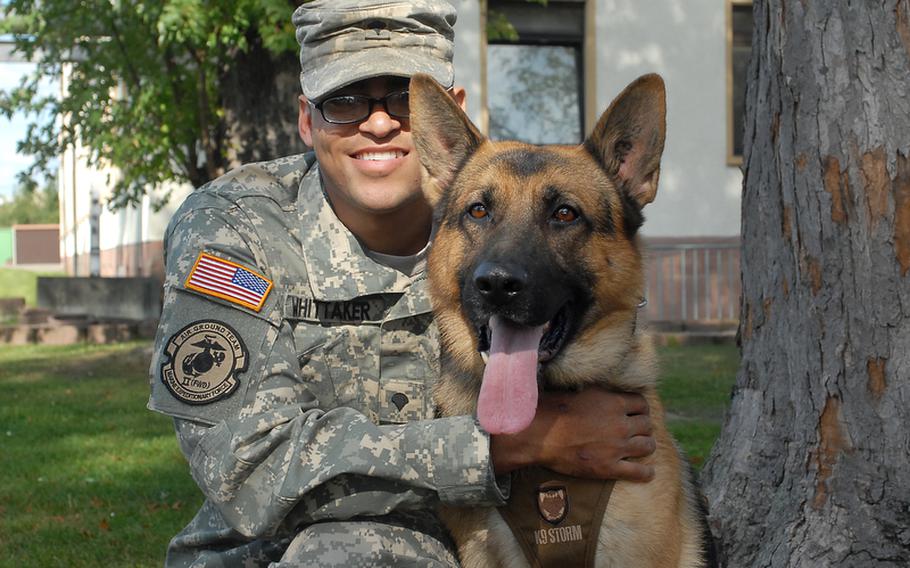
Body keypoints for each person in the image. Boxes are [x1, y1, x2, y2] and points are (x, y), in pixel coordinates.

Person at [147, 1, 656, 566]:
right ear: (306, 118)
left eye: (401, 100)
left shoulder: (487, 229)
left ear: (448, 121)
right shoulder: (234, 230)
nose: (380, 122)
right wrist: (513, 446)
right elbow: (247, 468)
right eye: (345, 101)